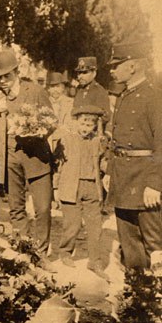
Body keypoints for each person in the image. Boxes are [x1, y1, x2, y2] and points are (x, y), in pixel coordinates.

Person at [0, 48, 54, 262]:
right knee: (16, 209)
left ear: (17, 72)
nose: (3, 82)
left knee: (42, 209)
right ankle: (23, 252)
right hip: (9, 159)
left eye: (6, 76)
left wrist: (37, 131)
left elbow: (51, 121)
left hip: (37, 157)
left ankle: (41, 254)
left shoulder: (35, 91)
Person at [106, 42, 162, 269]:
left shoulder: (154, 97)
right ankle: (138, 296)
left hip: (144, 180)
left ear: (132, 66)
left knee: (154, 244)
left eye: (116, 65)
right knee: (129, 246)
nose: (111, 70)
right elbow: (115, 141)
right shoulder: (122, 96)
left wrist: (155, 184)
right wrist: (109, 172)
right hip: (123, 178)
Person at [55, 105, 108, 280]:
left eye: (90, 125)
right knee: (73, 224)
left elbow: (102, 162)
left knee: (95, 225)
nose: (85, 128)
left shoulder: (98, 142)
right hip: (71, 186)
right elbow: (58, 166)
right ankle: (65, 252)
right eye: (83, 124)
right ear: (76, 122)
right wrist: (55, 187)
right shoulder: (66, 139)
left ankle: (95, 260)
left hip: (92, 186)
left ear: (95, 126)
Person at [72, 56, 111, 125]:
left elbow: (106, 117)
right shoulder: (80, 90)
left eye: (84, 73)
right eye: (79, 73)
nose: (80, 76)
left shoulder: (99, 91)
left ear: (94, 73)